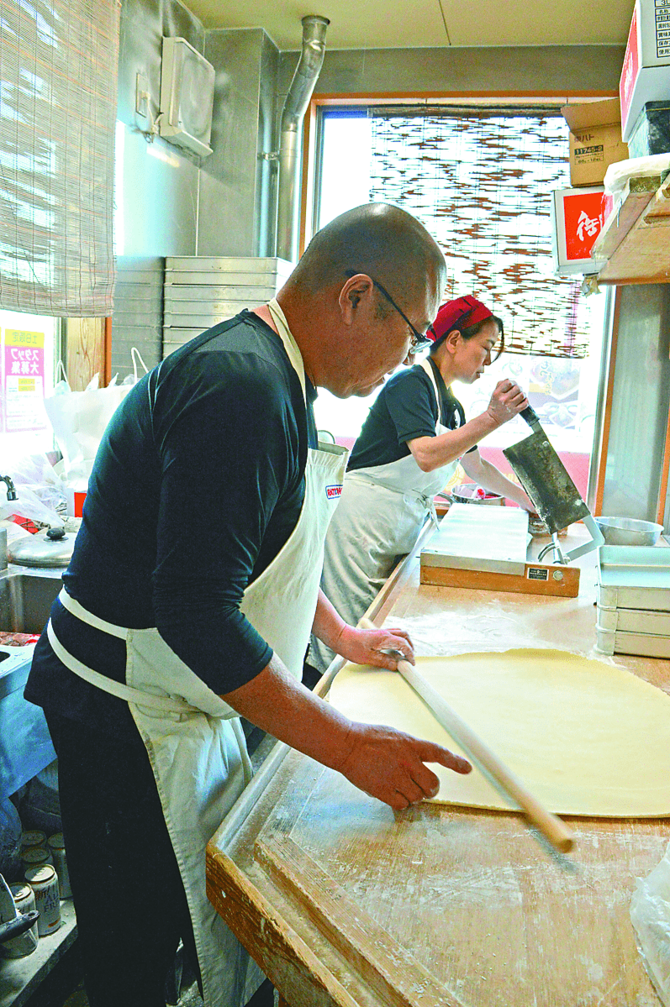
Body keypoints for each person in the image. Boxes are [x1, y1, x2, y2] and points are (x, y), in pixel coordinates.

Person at [24, 203, 472, 1007]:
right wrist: (346, 744)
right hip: (121, 704)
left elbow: (265, 547)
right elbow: (196, 611)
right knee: (133, 945)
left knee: (174, 921)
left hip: (172, 693)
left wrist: (341, 634)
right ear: (356, 296)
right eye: (410, 334)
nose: (405, 360)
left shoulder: (278, 376)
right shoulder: (242, 387)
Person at [311, 294, 536, 673]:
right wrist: (493, 418)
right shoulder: (410, 384)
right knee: (349, 643)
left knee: (380, 634)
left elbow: (477, 468)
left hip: (397, 527)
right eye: (486, 348)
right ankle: (318, 704)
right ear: (454, 341)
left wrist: (529, 500)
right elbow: (426, 455)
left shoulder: (452, 406)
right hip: (360, 529)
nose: (488, 362)